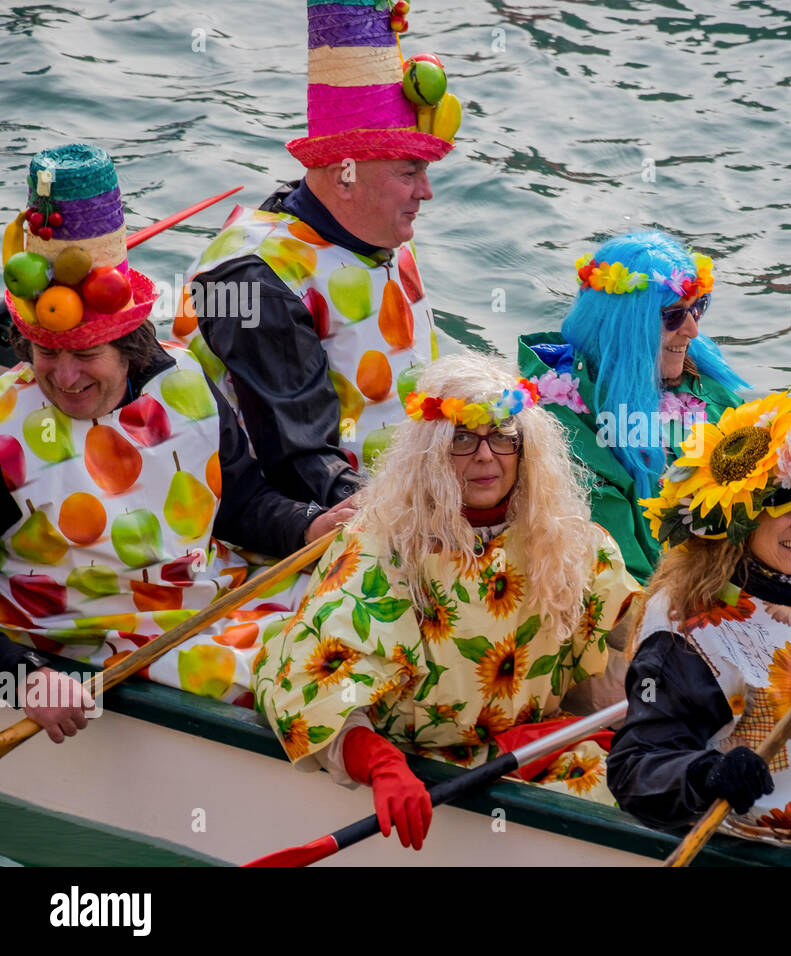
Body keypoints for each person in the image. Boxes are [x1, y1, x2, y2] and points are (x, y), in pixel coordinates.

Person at [0, 143, 351, 706]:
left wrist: (309, 526)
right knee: (316, 674)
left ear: (128, 345)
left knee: (362, 616)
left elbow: (240, 504)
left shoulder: (181, 380)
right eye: (46, 352)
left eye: (86, 355)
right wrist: (22, 676)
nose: (64, 377)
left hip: (207, 598)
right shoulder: (5, 427)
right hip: (90, 641)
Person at [259, 353, 641, 850]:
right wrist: (380, 763)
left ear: (525, 448)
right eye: (462, 439)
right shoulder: (384, 548)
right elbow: (313, 684)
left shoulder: (571, 544)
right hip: (419, 763)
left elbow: (639, 636)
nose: (486, 456)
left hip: (535, 749)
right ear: (431, 453)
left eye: (502, 435)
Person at [177, 0, 463, 506]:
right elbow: (297, 464)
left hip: (405, 487)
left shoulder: (378, 230)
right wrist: (415, 518)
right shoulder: (252, 282)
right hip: (294, 534)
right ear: (344, 176)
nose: (426, 192)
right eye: (408, 172)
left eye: (424, 171)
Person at [518, 231, 748, 583]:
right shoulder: (564, 432)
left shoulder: (705, 385)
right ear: (623, 327)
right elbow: (624, 583)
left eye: (696, 309)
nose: (692, 331)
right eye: (672, 316)